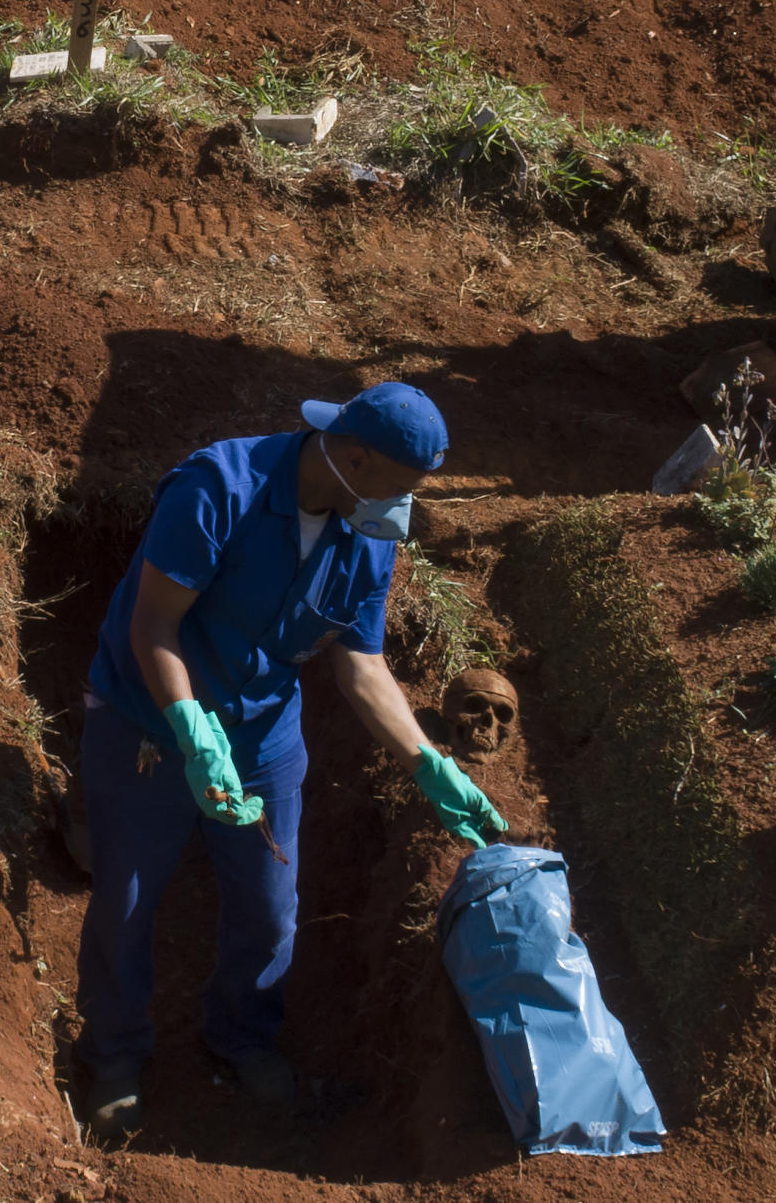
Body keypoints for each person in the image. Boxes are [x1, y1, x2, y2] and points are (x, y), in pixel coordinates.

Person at [74, 381, 507, 1138]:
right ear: (353, 458)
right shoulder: (219, 490)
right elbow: (153, 629)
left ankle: (240, 1035)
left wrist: (425, 761)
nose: (405, 507)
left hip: (264, 731)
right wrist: (187, 727)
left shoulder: (369, 534)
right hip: (148, 718)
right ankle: (112, 1054)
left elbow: (361, 666)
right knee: (127, 902)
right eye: (401, 487)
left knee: (271, 913)